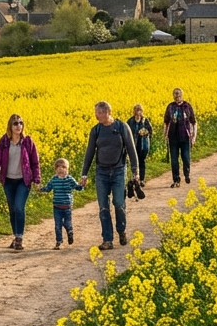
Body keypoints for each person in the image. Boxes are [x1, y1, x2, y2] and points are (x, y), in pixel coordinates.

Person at [78, 101, 140, 251]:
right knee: (103, 207)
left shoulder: (121, 127)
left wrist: (135, 171)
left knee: (119, 203)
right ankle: (107, 239)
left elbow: (131, 149)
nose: (96, 115)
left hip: (119, 170)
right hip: (101, 172)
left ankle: (121, 230)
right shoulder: (96, 130)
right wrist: (84, 174)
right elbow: (90, 152)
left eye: (98, 113)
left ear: (107, 112)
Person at [0, 114, 40, 251]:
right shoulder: (4, 142)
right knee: (12, 210)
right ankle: (16, 236)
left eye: (21, 123)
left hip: (23, 181)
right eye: (15, 123)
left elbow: (35, 162)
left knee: (19, 207)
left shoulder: (28, 141)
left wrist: (37, 179)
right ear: (10, 126)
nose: (19, 126)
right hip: (8, 181)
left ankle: (19, 238)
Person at [40, 158, 83, 249]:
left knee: (67, 223)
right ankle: (58, 242)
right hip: (57, 207)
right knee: (57, 225)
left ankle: (70, 232)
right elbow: (48, 188)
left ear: (67, 169)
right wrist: (40, 189)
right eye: (58, 167)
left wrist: (82, 185)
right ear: (55, 170)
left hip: (67, 207)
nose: (60, 169)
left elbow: (77, 188)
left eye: (63, 167)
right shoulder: (54, 180)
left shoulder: (70, 179)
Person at [162, 88, 196, 188]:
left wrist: (193, 136)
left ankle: (186, 174)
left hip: (185, 137)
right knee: (174, 160)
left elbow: (193, 122)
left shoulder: (187, 106)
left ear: (182, 95)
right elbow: (166, 121)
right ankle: (176, 179)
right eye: (175, 95)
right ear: (173, 96)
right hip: (173, 138)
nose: (177, 97)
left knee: (186, 158)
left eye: (179, 95)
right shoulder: (170, 107)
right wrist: (165, 134)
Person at [126, 105, 153, 184]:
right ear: (134, 111)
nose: (139, 112)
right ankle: (135, 178)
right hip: (133, 145)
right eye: (137, 110)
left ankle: (141, 179)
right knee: (134, 162)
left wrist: (146, 132)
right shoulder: (130, 121)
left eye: (140, 110)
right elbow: (127, 132)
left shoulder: (145, 120)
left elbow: (150, 130)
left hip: (143, 145)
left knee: (142, 161)